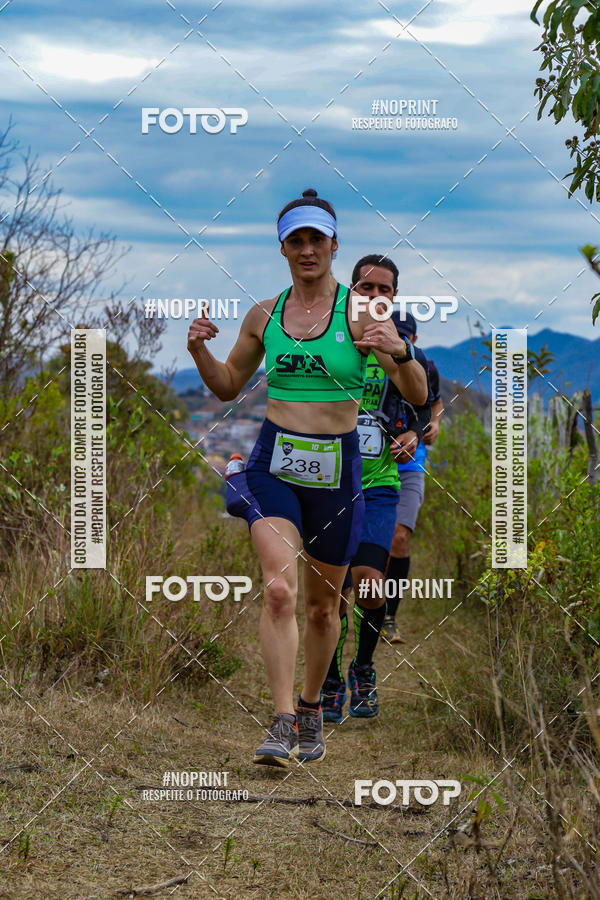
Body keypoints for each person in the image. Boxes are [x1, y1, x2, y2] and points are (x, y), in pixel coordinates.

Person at [187, 191, 427, 767]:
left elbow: (416, 395)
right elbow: (225, 386)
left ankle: (313, 706)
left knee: (324, 609)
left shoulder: (362, 312)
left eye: (317, 239)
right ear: (283, 248)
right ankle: (280, 721)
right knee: (277, 589)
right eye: (296, 240)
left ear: (334, 245)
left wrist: (401, 350)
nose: (307, 249)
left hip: (339, 472)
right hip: (274, 464)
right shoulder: (264, 316)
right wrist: (199, 351)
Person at [320, 255, 432, 722]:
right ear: (351, 290)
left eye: (385, 289)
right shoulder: (329, 340)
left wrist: (413, 431)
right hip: (326, 484)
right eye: (366, 287)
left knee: (368, 585)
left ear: (394, 298)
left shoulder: (401, 350)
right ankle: (326, 679)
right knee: (330, 594)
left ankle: (362, 668)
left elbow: (424, 400)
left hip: (380, 483)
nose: (375, 296)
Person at [381, 312, 444, 644]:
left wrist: (432, 426)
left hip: (411, 466)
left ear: (414, 340)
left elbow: (436, 404)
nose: (400, 340)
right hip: (370, 464)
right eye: (395, 333)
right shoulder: (372, 361)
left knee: (400, 538)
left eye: (406, 336)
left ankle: (389, 616)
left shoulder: (425, 365)